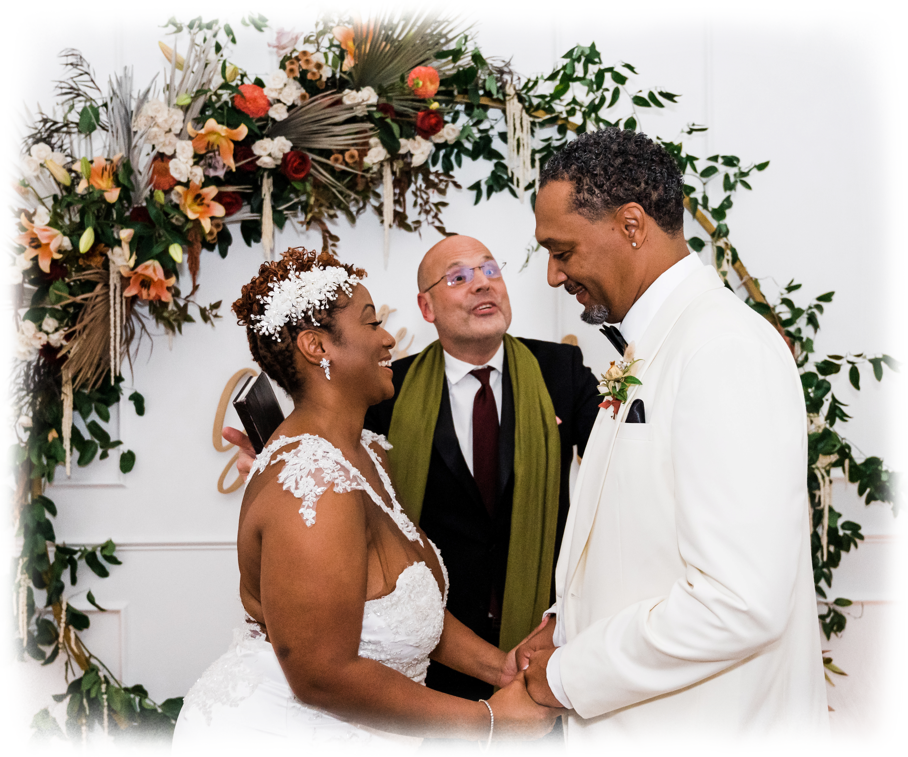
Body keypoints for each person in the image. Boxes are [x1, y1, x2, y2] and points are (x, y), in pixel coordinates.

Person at [508, 128, 829, 743]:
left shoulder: (723, 348)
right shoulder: (656, 344)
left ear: (631, 225)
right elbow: (637, 534)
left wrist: (568, 675)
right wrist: (563, 625)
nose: (552, 275)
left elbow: (737, 601)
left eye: (562, 250)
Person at [174, 248, 556, 750]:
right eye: (371, 322)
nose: (387, 338)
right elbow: (322, 675)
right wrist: (488, 722)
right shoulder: (315, 483)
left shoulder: (366, 454)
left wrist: (500, 667)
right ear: (317, 346)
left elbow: (408, 614)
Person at [228, 236, 601, 703]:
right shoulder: (386, 395)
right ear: (426, 306)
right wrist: (283, 461)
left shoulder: (560, 370)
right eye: (459, 276)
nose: (483, 284)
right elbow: (322, 671)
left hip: (511, 631)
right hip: (411, 683)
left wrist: (504, 666)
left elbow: (618, 472)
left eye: (491, 269)